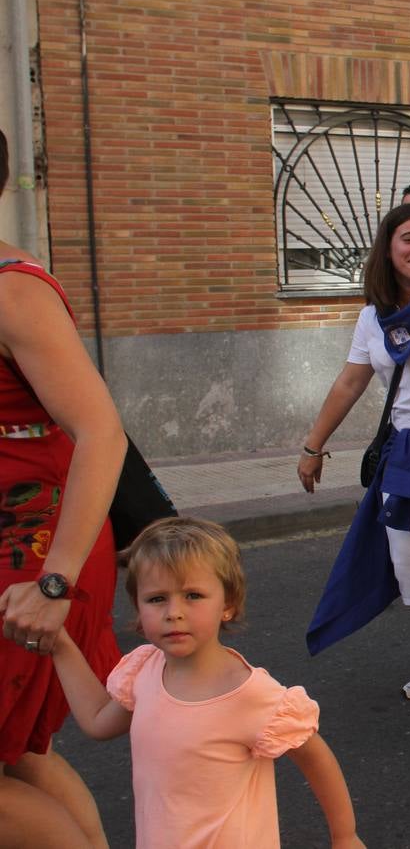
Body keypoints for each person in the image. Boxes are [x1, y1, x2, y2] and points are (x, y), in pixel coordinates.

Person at [50, 518, 362, 848]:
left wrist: (344, 836)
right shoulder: (145, 669)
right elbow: (98, 721)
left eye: (193, 595)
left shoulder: (250, 694)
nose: (174, 612)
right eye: (157, 599)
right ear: (139, 612)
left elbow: (316, 757)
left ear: (227, 604)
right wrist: (59, 644)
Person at [0, 128, 127, 848]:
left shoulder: (13, 290)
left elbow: (101, 433)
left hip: (36, 549)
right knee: (18, 756)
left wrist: (55, 585)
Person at [301, 200, 410, 703]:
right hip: (403, 449)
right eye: (408, 239)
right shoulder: (372, 317)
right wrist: (313, 446)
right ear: (388, 248)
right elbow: (351, 381)